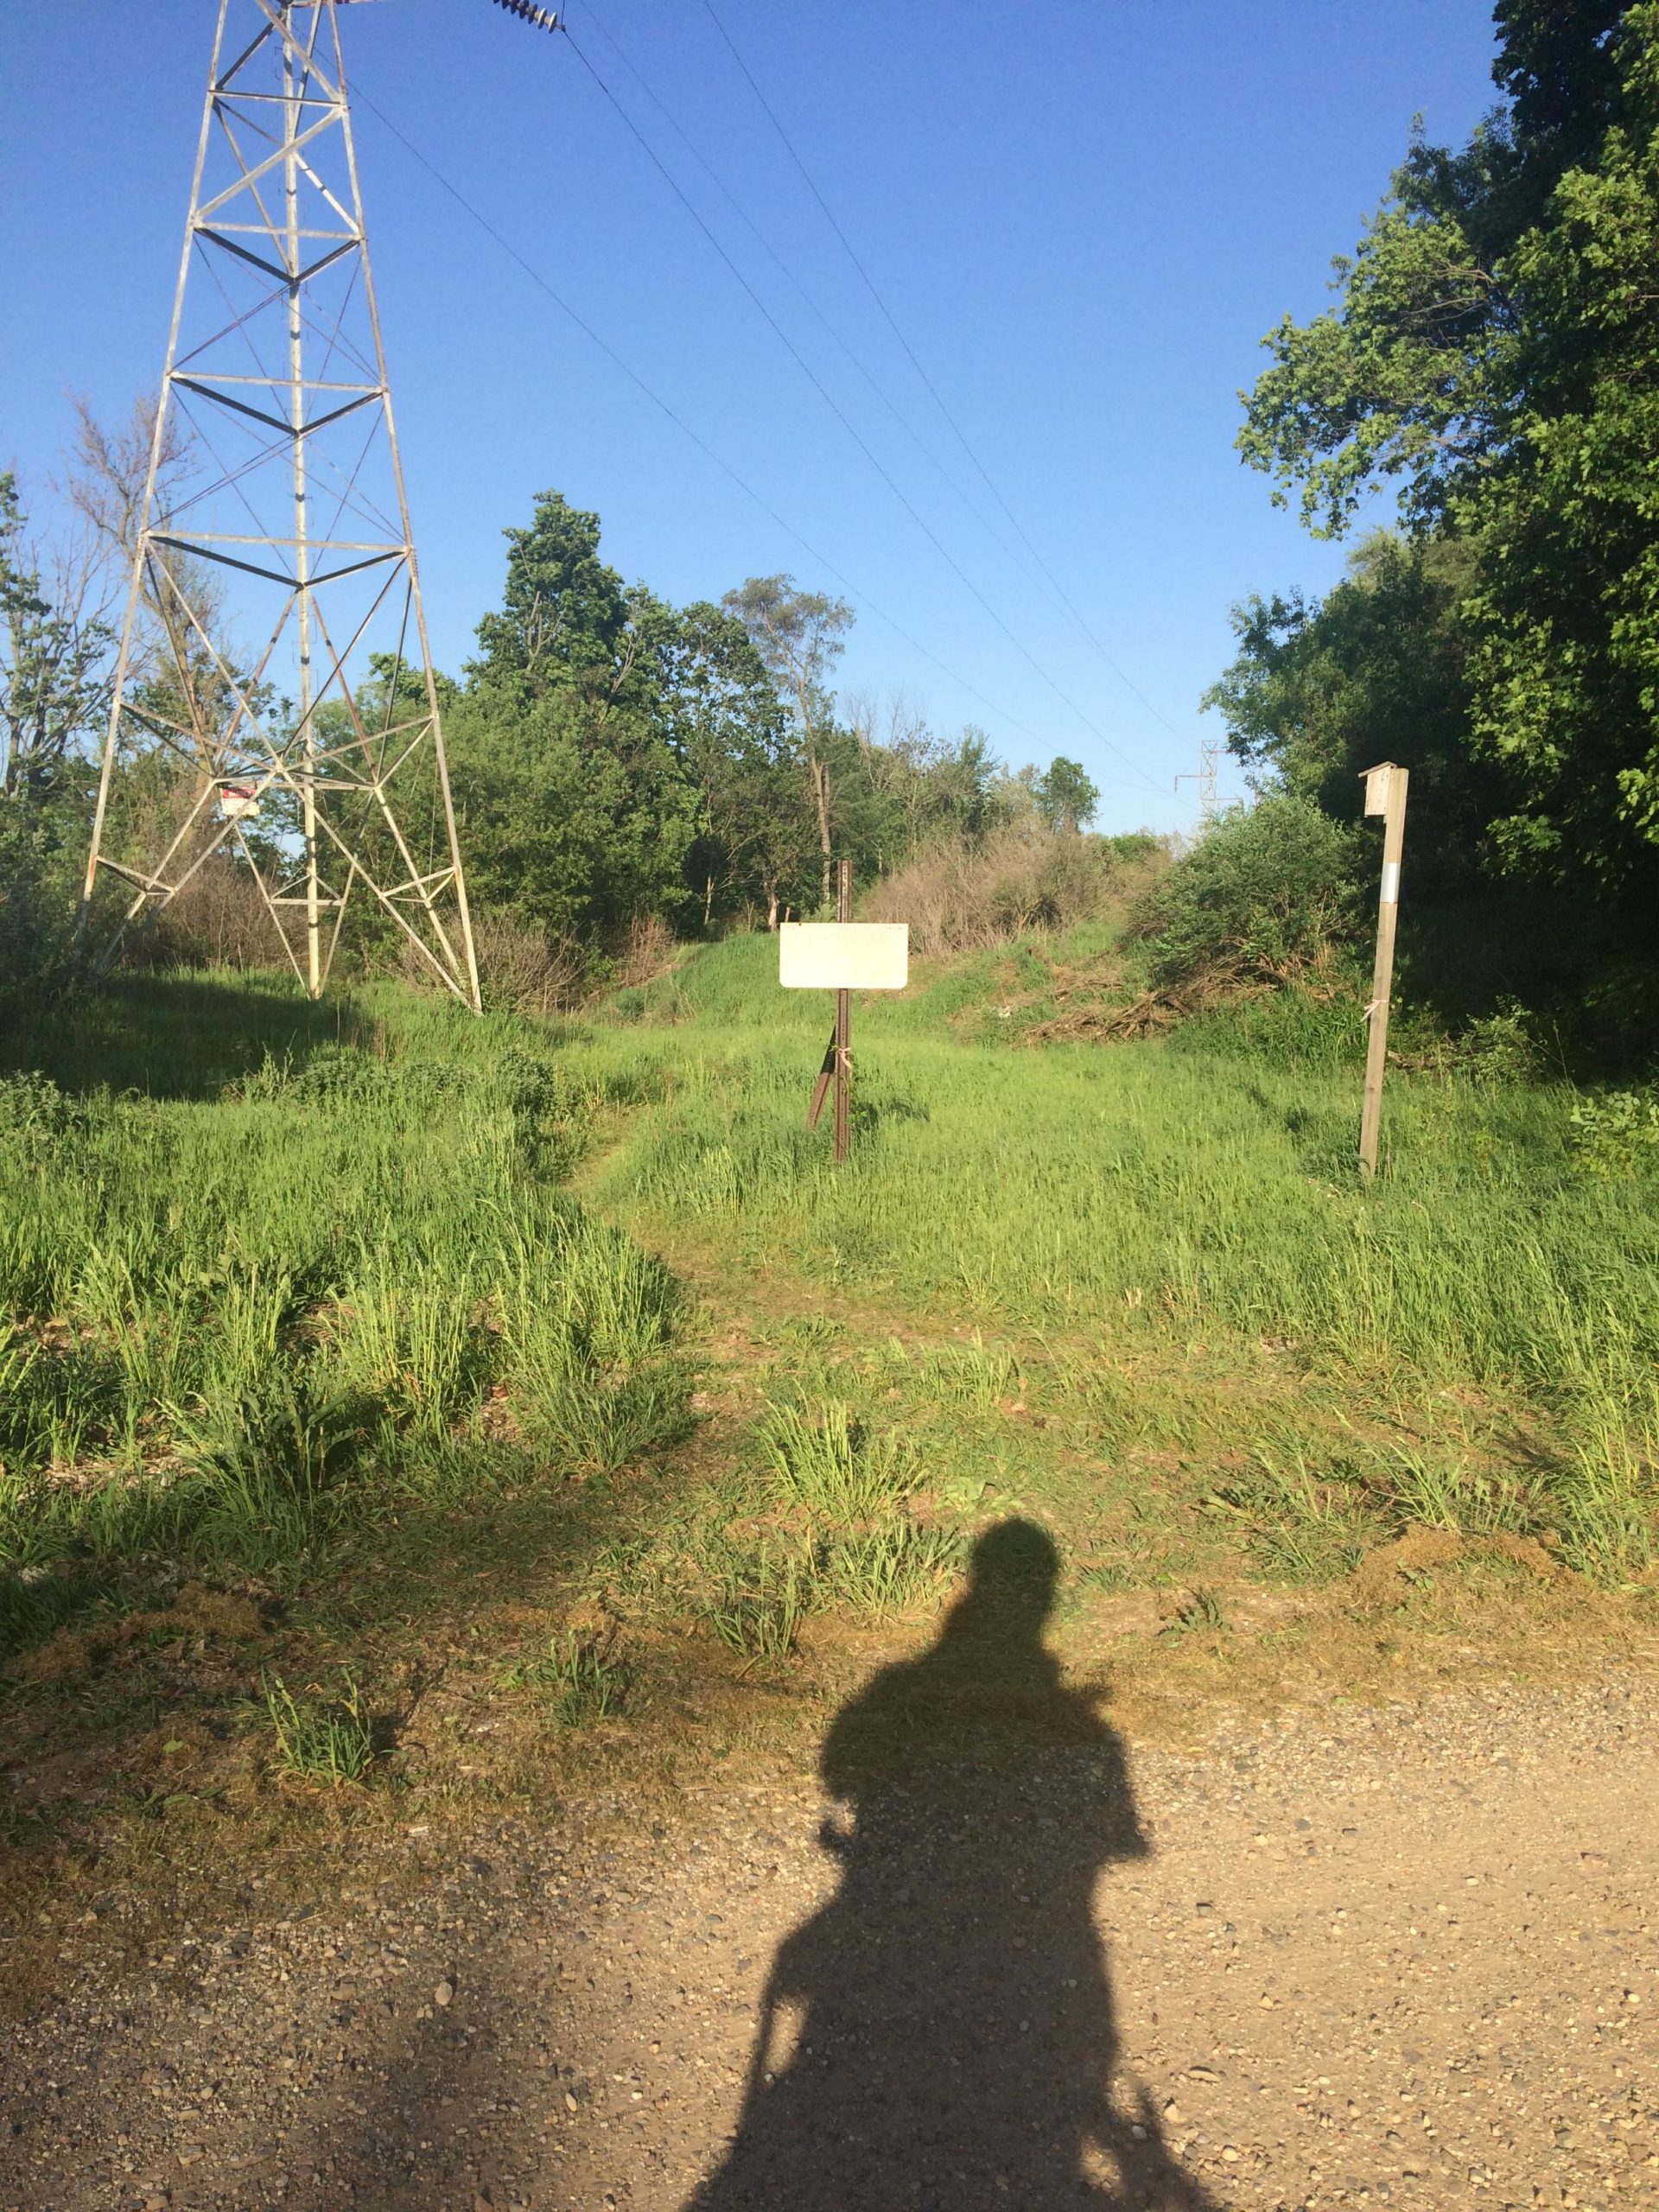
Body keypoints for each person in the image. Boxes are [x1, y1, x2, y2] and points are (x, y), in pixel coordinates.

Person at [686, 1519, 1217, 2210]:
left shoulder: (898, 1685)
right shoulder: (1087, 1730)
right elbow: (1121, 1842)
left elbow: (839, 1765)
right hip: (1051, 1946)